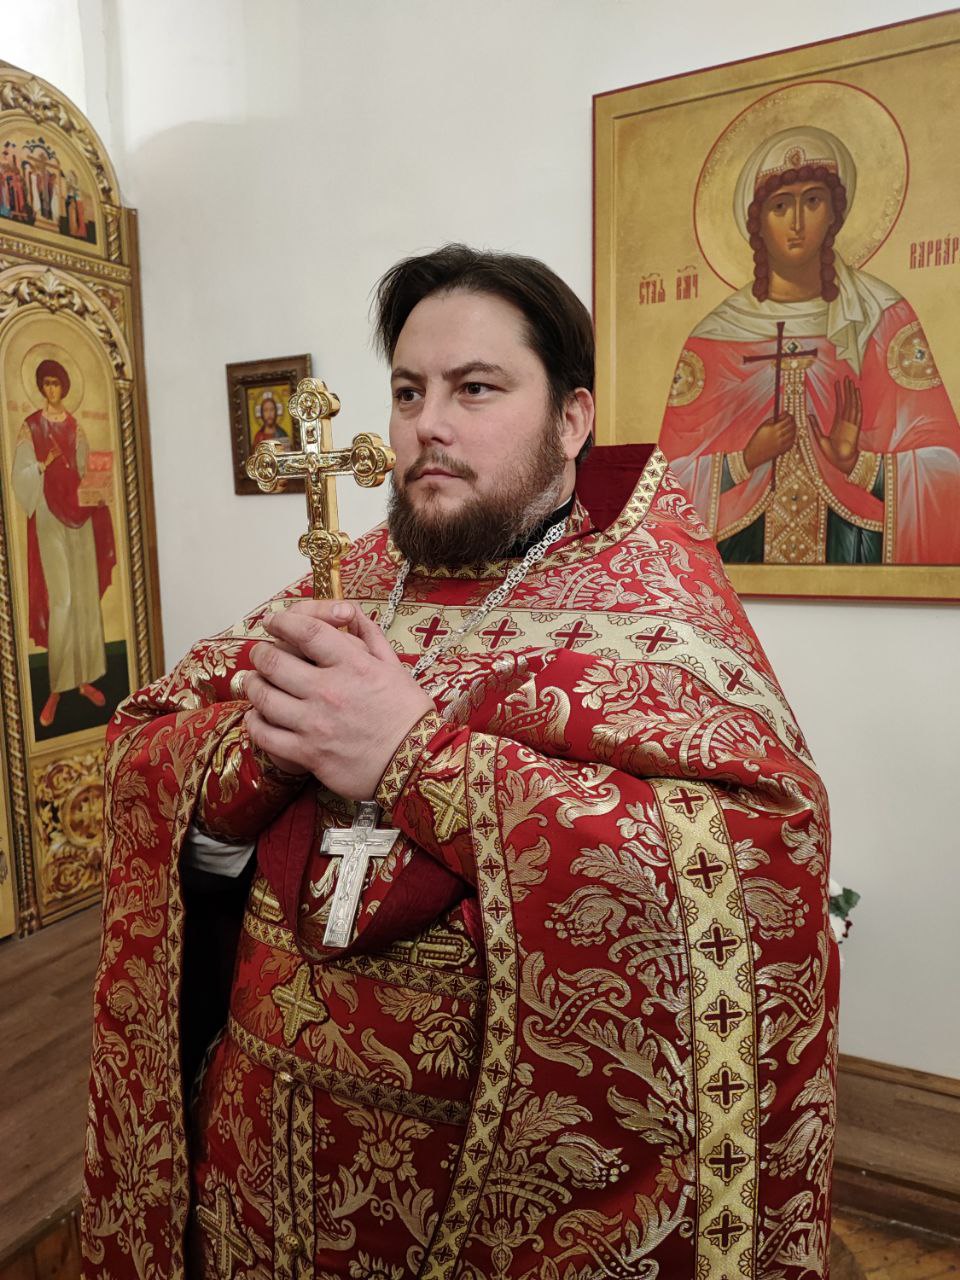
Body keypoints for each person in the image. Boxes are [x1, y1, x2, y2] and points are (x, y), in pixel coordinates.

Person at [82, 245, 837, 1279]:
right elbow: (148, 745)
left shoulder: (651, 597)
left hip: (489, 1186)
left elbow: (753, 856)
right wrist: (264, 754)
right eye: (408, 391)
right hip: (258, 1157)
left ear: (571, 419)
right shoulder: (355, 576)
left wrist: (415, 758)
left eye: (475, 388)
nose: (427, 424)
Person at [659, 125, 960, 565]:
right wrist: (744, 460)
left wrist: (858, 464)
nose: (797, 223)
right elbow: (660, 484)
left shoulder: (881, 318)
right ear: (757, 222)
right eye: (781, 206)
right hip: (737, 549)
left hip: (855, 544)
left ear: (835, 213)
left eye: (813, 201)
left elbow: (946, 464)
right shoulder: (715, 334)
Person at [12, 359, 116, 728]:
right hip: (49, 516)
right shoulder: (31, 427)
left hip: (79, 516)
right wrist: (43, 464)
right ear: (41, 387)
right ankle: (57, 688)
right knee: (64, 600)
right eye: (47, 383)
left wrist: (99, 481)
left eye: (57, 383)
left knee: (84, 597)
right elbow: (20, 477)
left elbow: (86, 471)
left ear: (64, 387)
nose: (52, 389)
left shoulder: (75, 427)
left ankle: (84, 680)